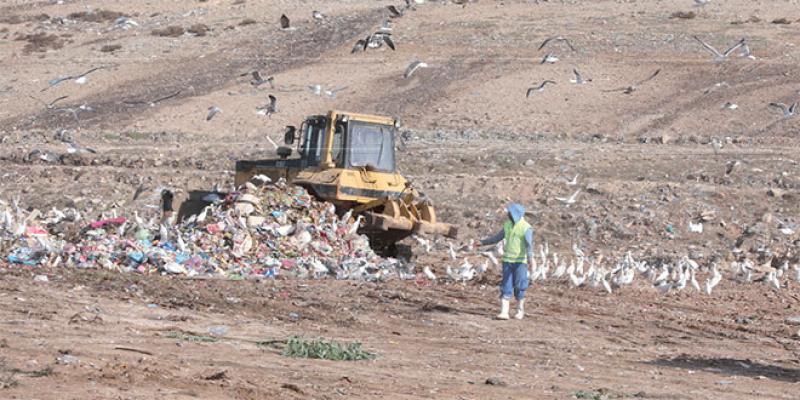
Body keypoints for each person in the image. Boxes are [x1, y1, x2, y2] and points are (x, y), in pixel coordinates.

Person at [477, 203, 534, 320]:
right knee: (506, 285)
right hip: (507, 260)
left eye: (510, 212)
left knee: (519, 286)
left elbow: (529, 245)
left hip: (520, 262)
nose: (508, 214)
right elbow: (497, 238)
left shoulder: (526, 227)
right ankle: (504, 312)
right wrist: (482, 242)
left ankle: (520, 311)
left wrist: (530, 259)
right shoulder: (507, 225)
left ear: (515, 214)